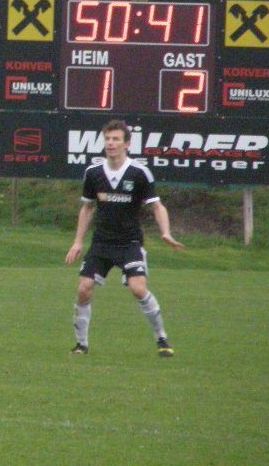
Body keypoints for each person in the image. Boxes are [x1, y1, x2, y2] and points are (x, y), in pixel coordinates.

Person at [65, 119, 185, 358]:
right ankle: (81, 345)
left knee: (138, 288)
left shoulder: (139, 173)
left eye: (116, 139)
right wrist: (78, 242)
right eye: (107, 139)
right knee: (84, 289)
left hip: (129, 243)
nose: (110, 143)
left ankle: (161, 338)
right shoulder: (93, 173)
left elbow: (157, 206)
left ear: (127, 144)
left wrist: (166, 232)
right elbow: (87, 209)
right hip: (101, 243)